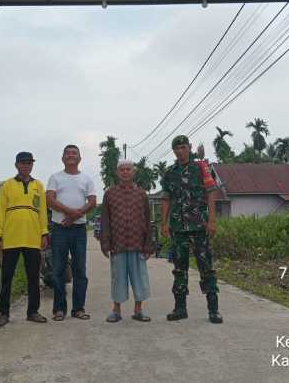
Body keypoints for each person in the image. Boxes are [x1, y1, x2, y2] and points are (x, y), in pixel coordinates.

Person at [161, 135, 223, 324]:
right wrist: (164, 224)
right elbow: (166, 199)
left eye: (183, 147)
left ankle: (213, 310)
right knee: (180, 269)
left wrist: (212, 221)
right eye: (177, 148)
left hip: (200, 226)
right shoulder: (170, 172)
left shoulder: (201, 168)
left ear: (189, 148)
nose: (180, 150)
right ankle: (180, 309)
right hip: (179, 228)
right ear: (174, 151)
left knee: (206, 268)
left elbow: (212, 194)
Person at [0, 151, 49, 326]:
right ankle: (3, 313)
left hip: (33, 238)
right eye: (23, 163)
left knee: (33, 277)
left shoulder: (38, 185)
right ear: (16, 165)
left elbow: (42, 211)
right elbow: (0, 211)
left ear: (32, 165)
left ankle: (33, 311)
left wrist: (44, 233)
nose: (26, 165)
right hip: (10, 238)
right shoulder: (7, 185)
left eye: (29, 163)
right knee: (6, 277)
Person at [46, 144, 97, 321]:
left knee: (80, 270)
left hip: (79, 230)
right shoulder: (55, 178)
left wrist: (76, 216)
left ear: (79, 158)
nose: (71, 155)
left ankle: (78, 309)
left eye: (74, 153)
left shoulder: (86, 179)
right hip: (59, 229)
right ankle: (59, 309)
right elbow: (49, 200)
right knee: (58, 269)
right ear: (62, 158)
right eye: (67, 153)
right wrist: (70, 212)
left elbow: (92, 201)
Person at [100, 160, 154, 323]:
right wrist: (105, 242)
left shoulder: (141, 194)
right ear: (117, 173)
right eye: (122, 170)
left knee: (139, 278)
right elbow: (105, 220)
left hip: (138, 244)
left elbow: (147, 219)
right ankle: (116, 310)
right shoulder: (109, 194)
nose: (125, 172)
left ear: (133, 172)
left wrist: (148, 244)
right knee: (118, 278)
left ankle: (138, 310)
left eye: (128, 169)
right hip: (118, 244)